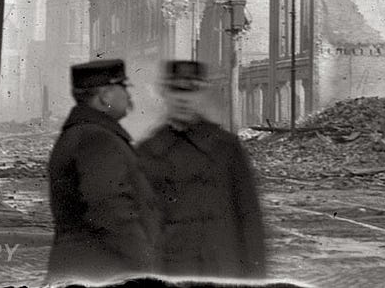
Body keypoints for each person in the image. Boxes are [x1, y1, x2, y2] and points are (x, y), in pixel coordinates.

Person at [136, 60, 268, 280]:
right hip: (171, 271)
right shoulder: (147, 153)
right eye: (175, 90)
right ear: (164, 93)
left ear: (202, 94)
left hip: (224, 269)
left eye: (191, 90)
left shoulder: (226, 148)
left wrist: (256, 279)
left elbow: (249, 219)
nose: (183, 98)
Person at [47, 58, 159, 284]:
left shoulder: (82, 133)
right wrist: (147, 268)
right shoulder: (97, 139)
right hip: (103, 270)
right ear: (105, 96)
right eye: (123, 86)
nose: (128, 95)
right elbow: (111, 211)